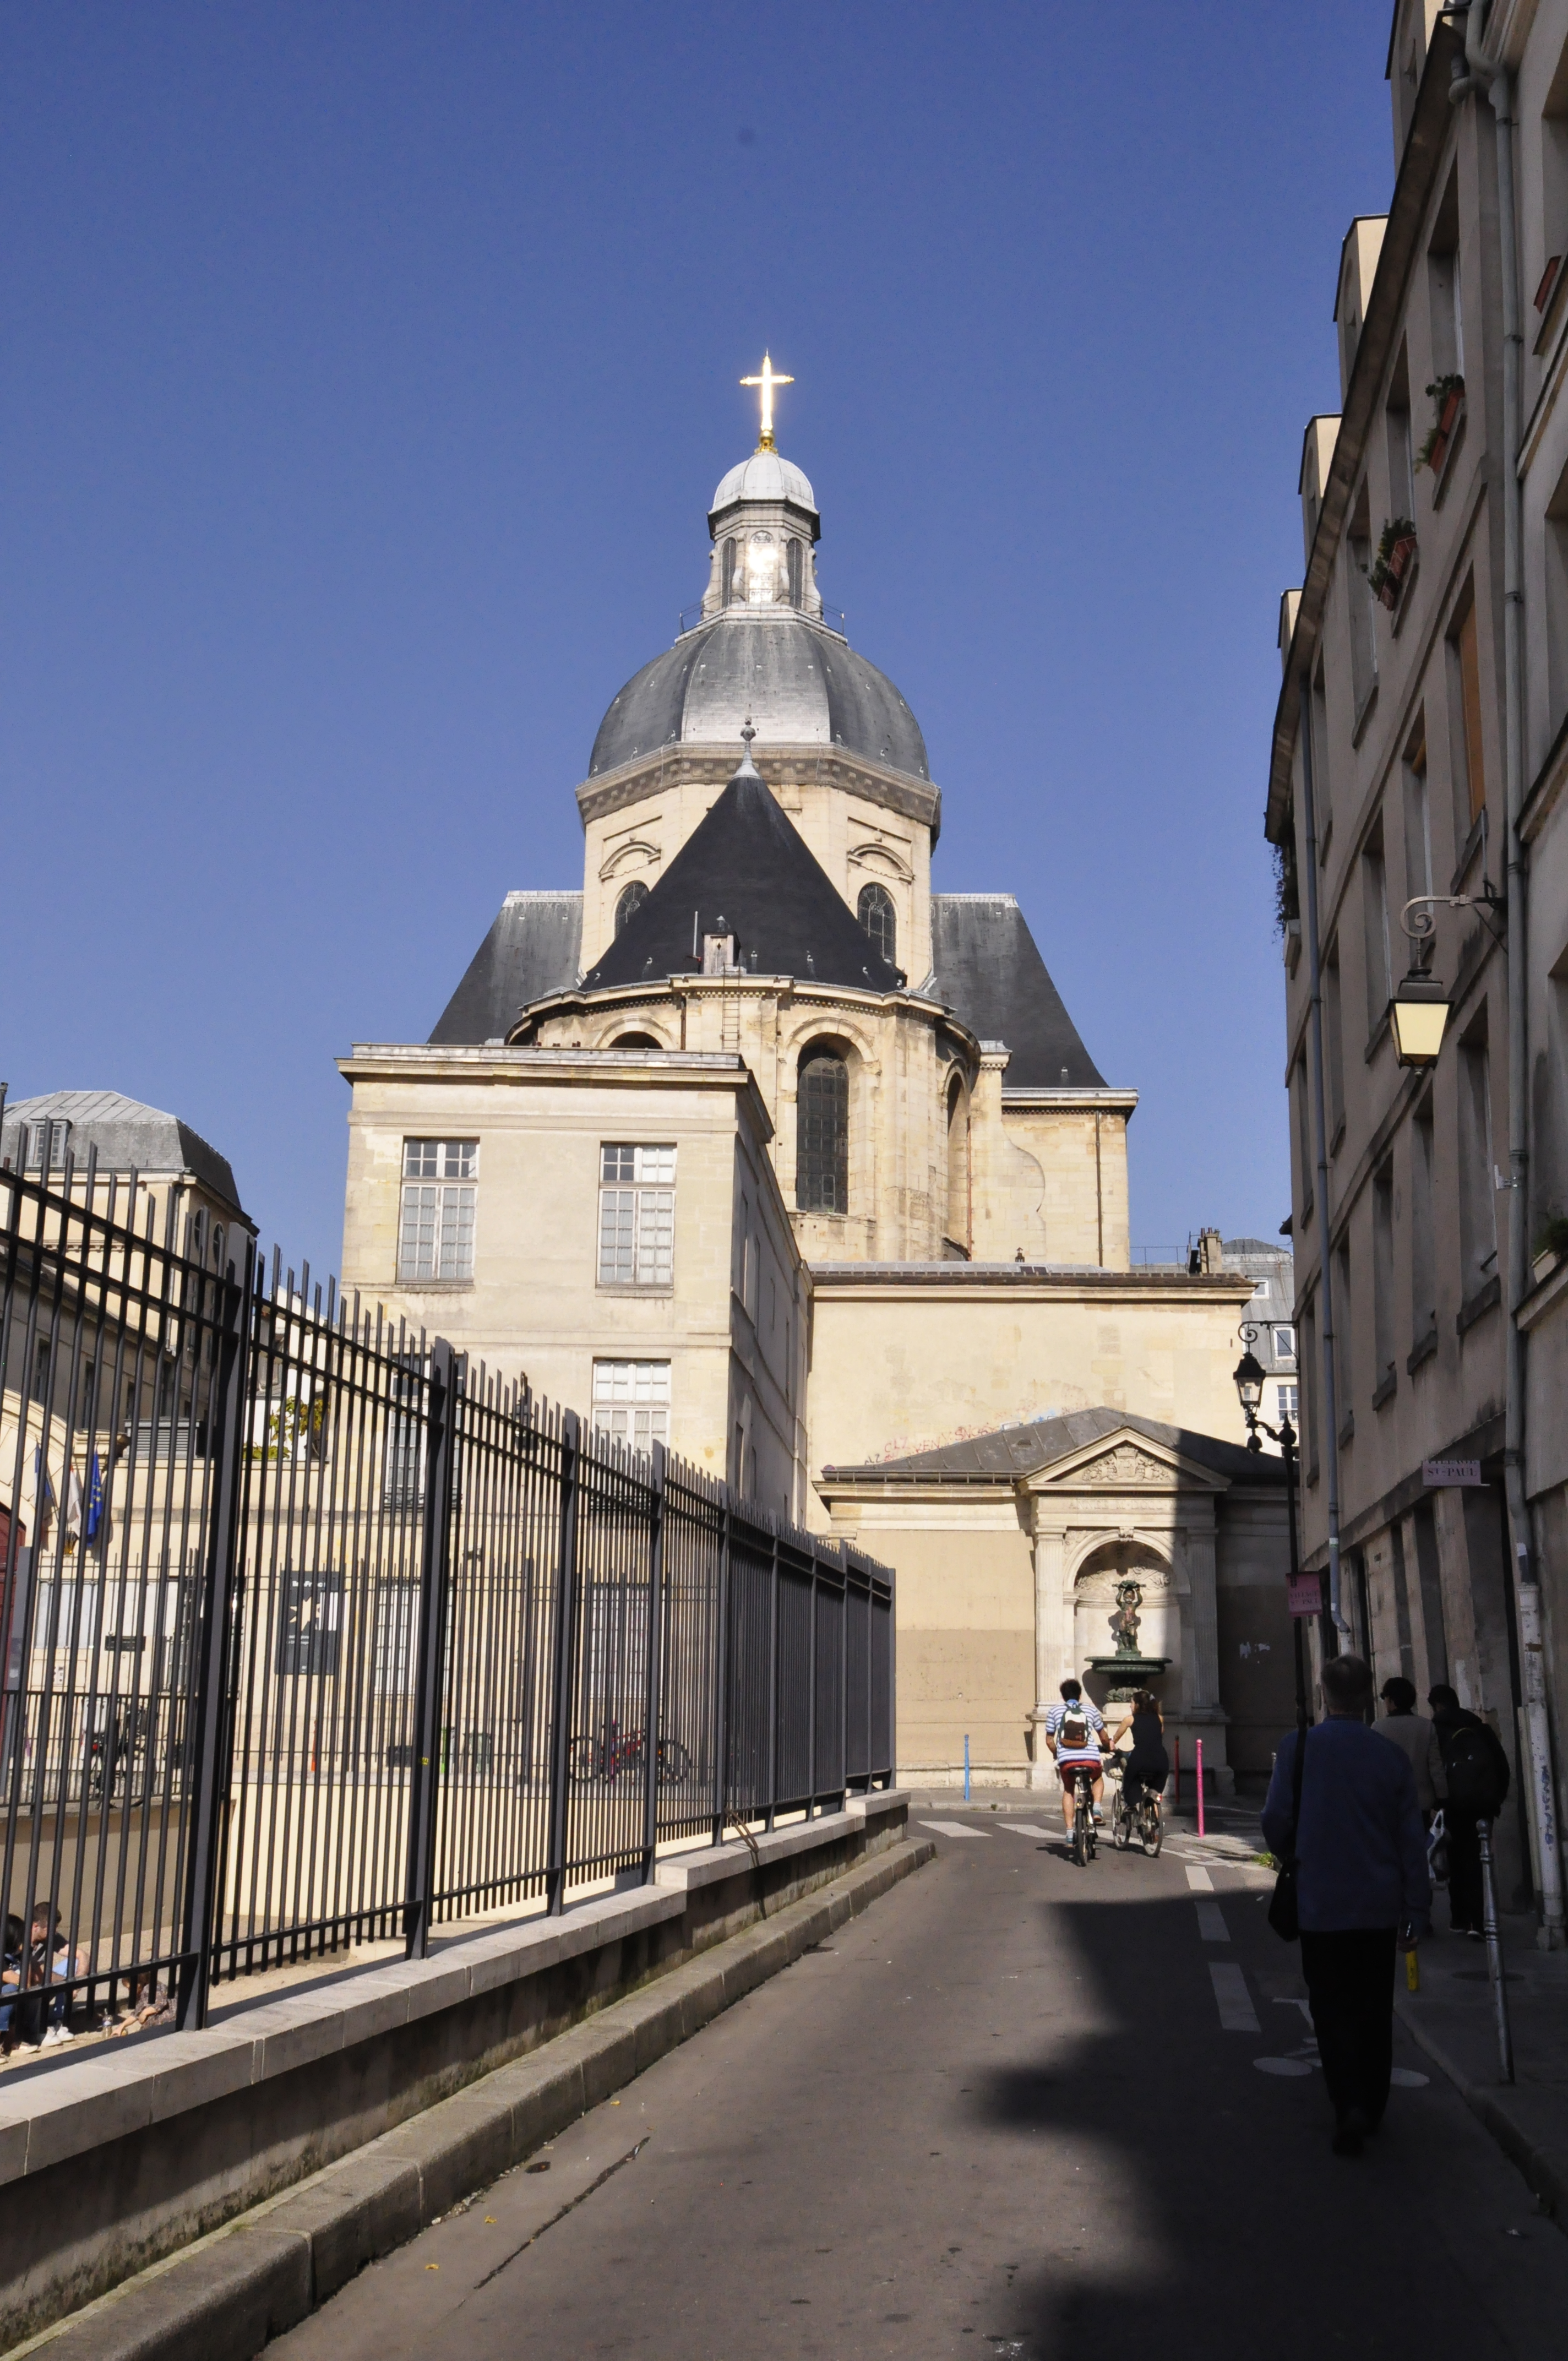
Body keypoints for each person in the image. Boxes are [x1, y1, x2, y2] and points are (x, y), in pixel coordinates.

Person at [1262, 1653, 1431, 2158]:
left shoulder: (1299, 1747)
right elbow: (1410, 1843)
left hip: (1320, 1902)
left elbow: (1275, 1819)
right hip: (1377, 1905)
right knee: (1375, 2006)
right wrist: (1416, 1910)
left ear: (1324, 1695)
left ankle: (1347, 2103)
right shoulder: (1388, 1757)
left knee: (1330, 2005)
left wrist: (1295, 1854)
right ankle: (1372, 2104)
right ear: (1366, 1698)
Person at [1428, 1683, 1511, 1939]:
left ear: (1438, 1706)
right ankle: (1477, 1921)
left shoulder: (1437, 1730)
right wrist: (1495, 1800)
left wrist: (1438, 1803)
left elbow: (1435, 1768)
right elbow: (1501, 1766)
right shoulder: (1480, 1728)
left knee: (1455, 1858)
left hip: (1453, 1805)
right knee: (1477, 1859)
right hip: (1482, 1805)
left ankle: (1459, 1917)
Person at [1373, 1676, 1446, 1823]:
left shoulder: (1378, 1728)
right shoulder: (1426, 1727)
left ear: (1391, 1701)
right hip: (1422, 1804)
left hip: (1390, 1804)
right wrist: (1443, 1798)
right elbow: (1436, 1768)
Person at [1044, 1678, 1108, 1836]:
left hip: (1067, 1761)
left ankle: (1069, 1833)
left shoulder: (1054, 1711)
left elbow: (1049, 1740)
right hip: (1090, 1759)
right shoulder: (1091, 1710)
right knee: (1098, 1777)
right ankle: (1097, 1808)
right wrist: (1107, 1747)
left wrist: (1057, 1752)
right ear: (1080, 1695)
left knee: (1068, 1790)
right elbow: (1103, 1736)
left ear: (1063, 1696)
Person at [1109, 1688, 1169, 1824]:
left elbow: (1115, 1740)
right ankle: (1156, 1822)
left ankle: (1131, 1805)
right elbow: (1159, 1735)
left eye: (1131, 1702)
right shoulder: (1160, 1718)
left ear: (1137, 1704)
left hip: (1140, 1759)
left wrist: (1110, 1746)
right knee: (1155, 1790)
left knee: (1129, 1779)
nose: (1130, 1706)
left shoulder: (1130, 1720)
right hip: (1161, 1760)